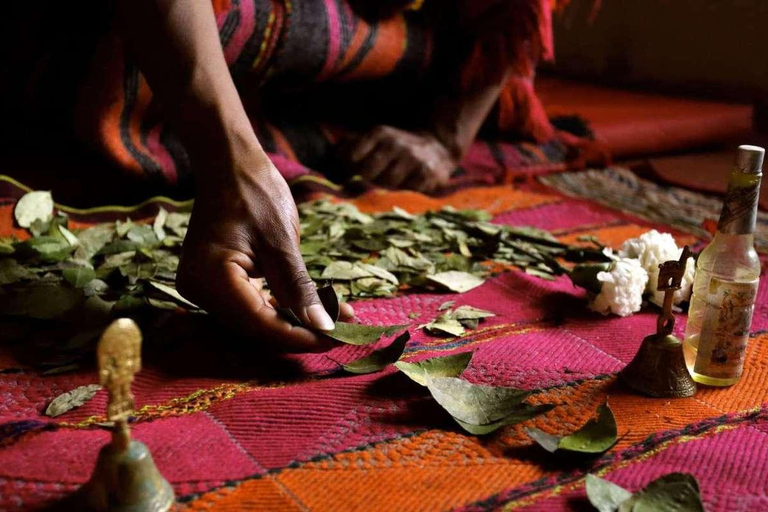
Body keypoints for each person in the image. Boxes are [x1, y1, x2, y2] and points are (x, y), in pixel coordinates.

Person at [0, 0, 557, 351]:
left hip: (378, 49)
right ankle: (205, 117)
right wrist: (230, 160)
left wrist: (443, 141)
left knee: (421, 46)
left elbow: (511, 18)